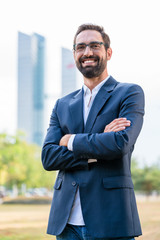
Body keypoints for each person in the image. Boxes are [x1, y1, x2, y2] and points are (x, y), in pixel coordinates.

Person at [41, 24, 145, 240]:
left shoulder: (129, 93)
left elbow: (120, 144)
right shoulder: (62, 104)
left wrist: (69, 140)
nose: (87, 52)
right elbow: (48, 157)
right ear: (74, 54)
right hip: (66, 224)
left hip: (111, 218)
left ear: (108, 52)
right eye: (80, 47)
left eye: (94, 45)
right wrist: (96, 147)